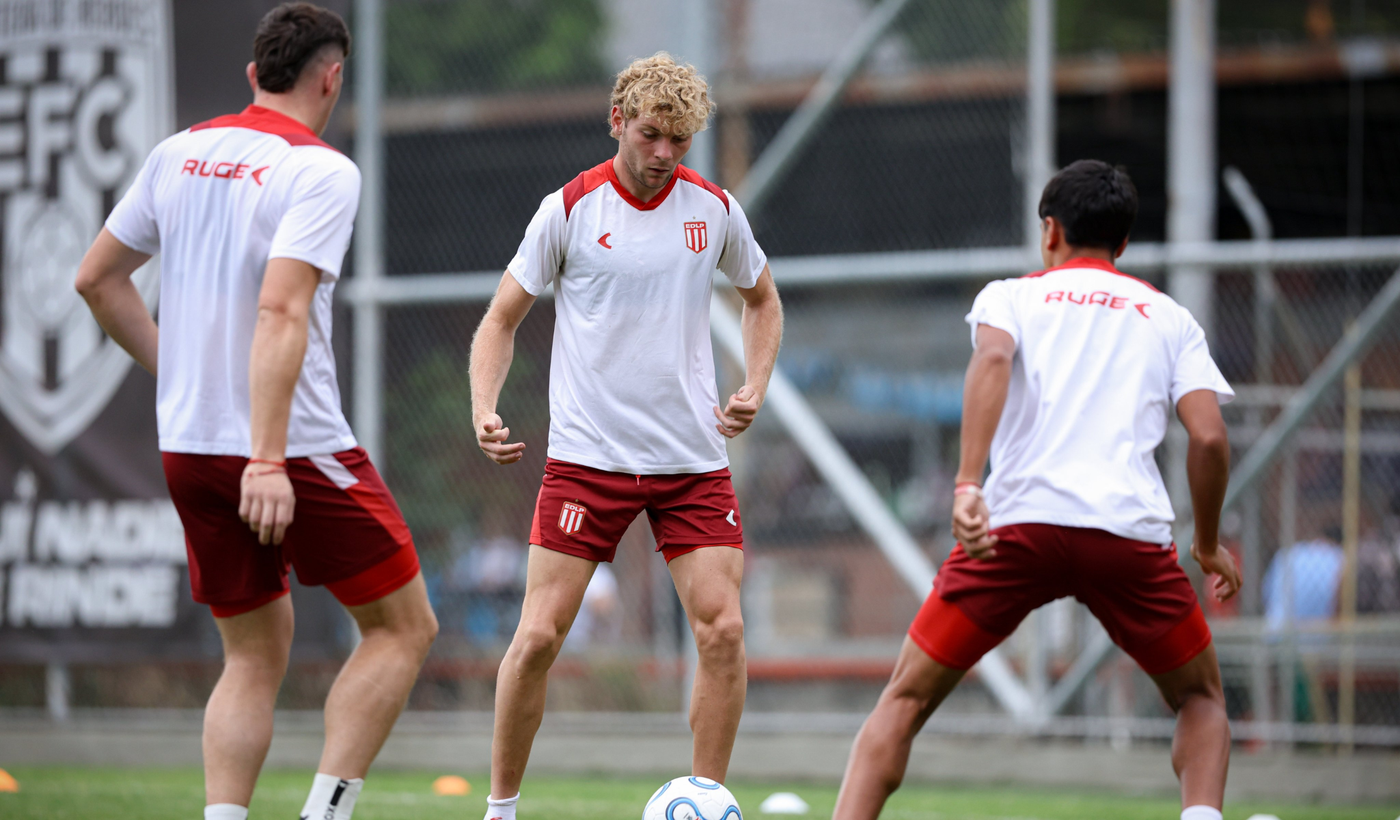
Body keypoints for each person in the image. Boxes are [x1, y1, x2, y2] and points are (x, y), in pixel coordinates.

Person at [73, 5, 437, 820]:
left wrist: (186, 375)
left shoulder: (179, 152)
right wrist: (267, 458)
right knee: (403, 629)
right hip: (292, 449)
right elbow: (281, 312)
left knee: (252, 655)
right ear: (332, 77)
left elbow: (95, 280)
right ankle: (325, 816)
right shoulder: (323, 171)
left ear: (253, 76)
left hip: (189, 445)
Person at [832, 160, 1242, 820]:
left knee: (904, 700)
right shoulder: (1170, 318)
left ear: (1050, 231)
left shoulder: (1013, 297)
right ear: (1124, 244)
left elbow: (992, 361)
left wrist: (968, 484)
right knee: (1201, 701)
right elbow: (1211, 440)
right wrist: (1208, 541)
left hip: (1014, 531)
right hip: (1127, 538)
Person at [468, 52, 783, 820]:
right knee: (538, 636)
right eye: (651, 135)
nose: (664, 154)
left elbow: (764, 301)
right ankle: (500, 811)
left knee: (723, 629)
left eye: (679, 140)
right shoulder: (570, 209)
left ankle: (707, 803)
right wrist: (484, 405)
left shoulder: (713, 211)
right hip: (588, 462)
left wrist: (754, 386)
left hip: (690, 462)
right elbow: (500, 320)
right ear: (618, 121)